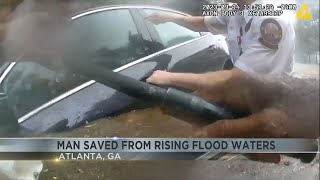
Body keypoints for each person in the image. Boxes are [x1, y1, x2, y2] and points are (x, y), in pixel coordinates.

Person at [147, 69, 319, 163]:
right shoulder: (230, 15)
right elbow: (235, 76)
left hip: (267, 93)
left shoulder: (268, 19)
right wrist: (171, 76)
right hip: (255, 91)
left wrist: (310, 102)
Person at [147, 0, 295, 75]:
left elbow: (238, 77)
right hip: (248, 90)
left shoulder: (272, 20)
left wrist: (171, 79)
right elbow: (202, 23)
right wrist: (170, 17)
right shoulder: (233, 10)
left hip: (272, 100)